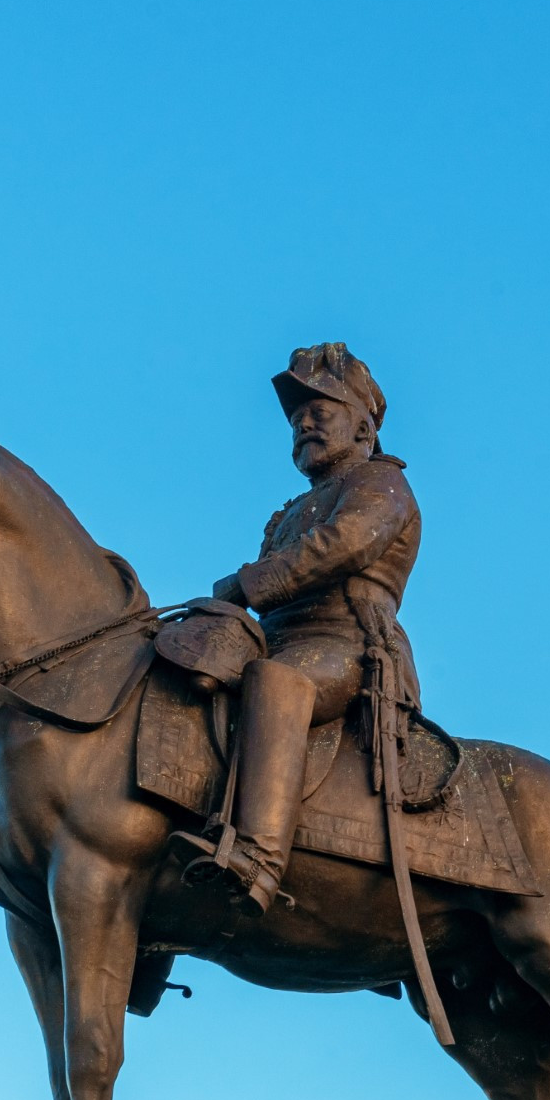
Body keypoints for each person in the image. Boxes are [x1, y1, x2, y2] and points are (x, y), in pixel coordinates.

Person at [174, 343, 420, 912]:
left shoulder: (380, 485)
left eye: (319, 410)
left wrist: (247, 583)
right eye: (295, 418)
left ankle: (257, 858)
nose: (302, 423)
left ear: (362, 424)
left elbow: (344, 545)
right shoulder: (288, 512)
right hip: (274, 640)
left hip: (347, 646)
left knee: (279, 682)